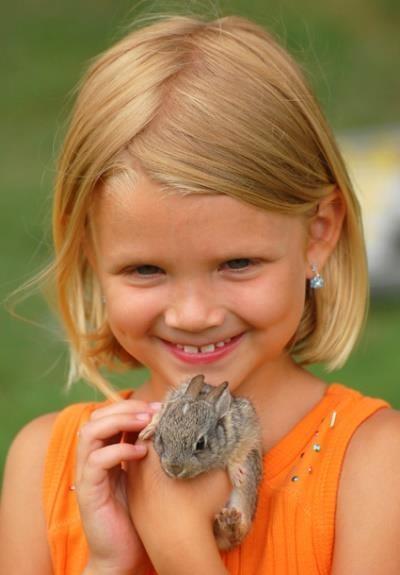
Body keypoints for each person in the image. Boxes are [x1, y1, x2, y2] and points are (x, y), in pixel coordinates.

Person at [1, 12, 400, 575]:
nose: (193, 314)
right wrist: (109, 563)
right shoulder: (43, 464)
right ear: (90, 251)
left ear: (319, 233)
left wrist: (178, 545)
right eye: (145, 269)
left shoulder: (375, 466)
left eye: (237, 263)